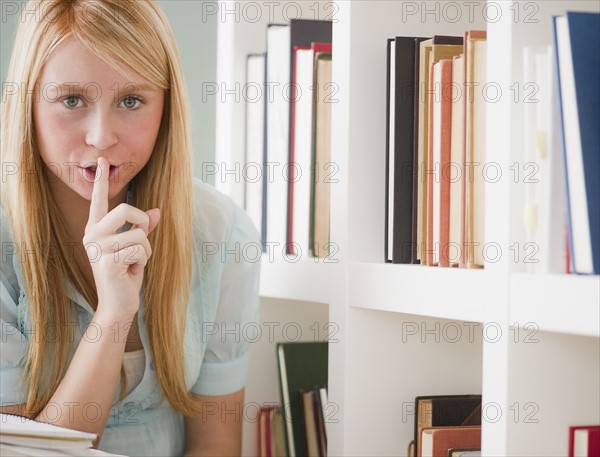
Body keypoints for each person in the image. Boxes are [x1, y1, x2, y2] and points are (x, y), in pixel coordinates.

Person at [0, 1, 261, 455]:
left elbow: (216, 445)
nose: (101, 136)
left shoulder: (222, 232)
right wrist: (114, 314)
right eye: (71, 99)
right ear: (28, 102)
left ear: (166, 107)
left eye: (131, 100)